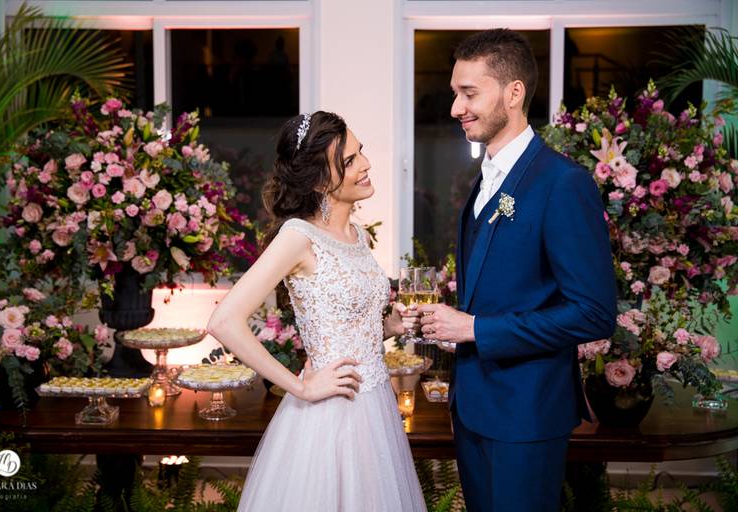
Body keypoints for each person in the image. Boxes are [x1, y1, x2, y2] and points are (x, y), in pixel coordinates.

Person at [402, 29, 617, 511]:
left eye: (469, 93)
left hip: (526, 414)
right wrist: (447, 321)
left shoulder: (563, 183)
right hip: (474, 410)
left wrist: (476, 328)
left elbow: (593, 313)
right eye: (456, 93)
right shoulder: (483, 181)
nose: (456, 108)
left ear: (513, 92)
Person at [207, 111, 426, 512]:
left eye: (361, 153)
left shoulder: (356, 234)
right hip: (330, 415)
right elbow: (223, 321)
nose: (365, 165)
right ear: (321, 181)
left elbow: (344, 324)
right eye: (349, 161)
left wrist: (387, 327)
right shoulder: (297, 236)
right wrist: (301, 386)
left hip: (376, 407)